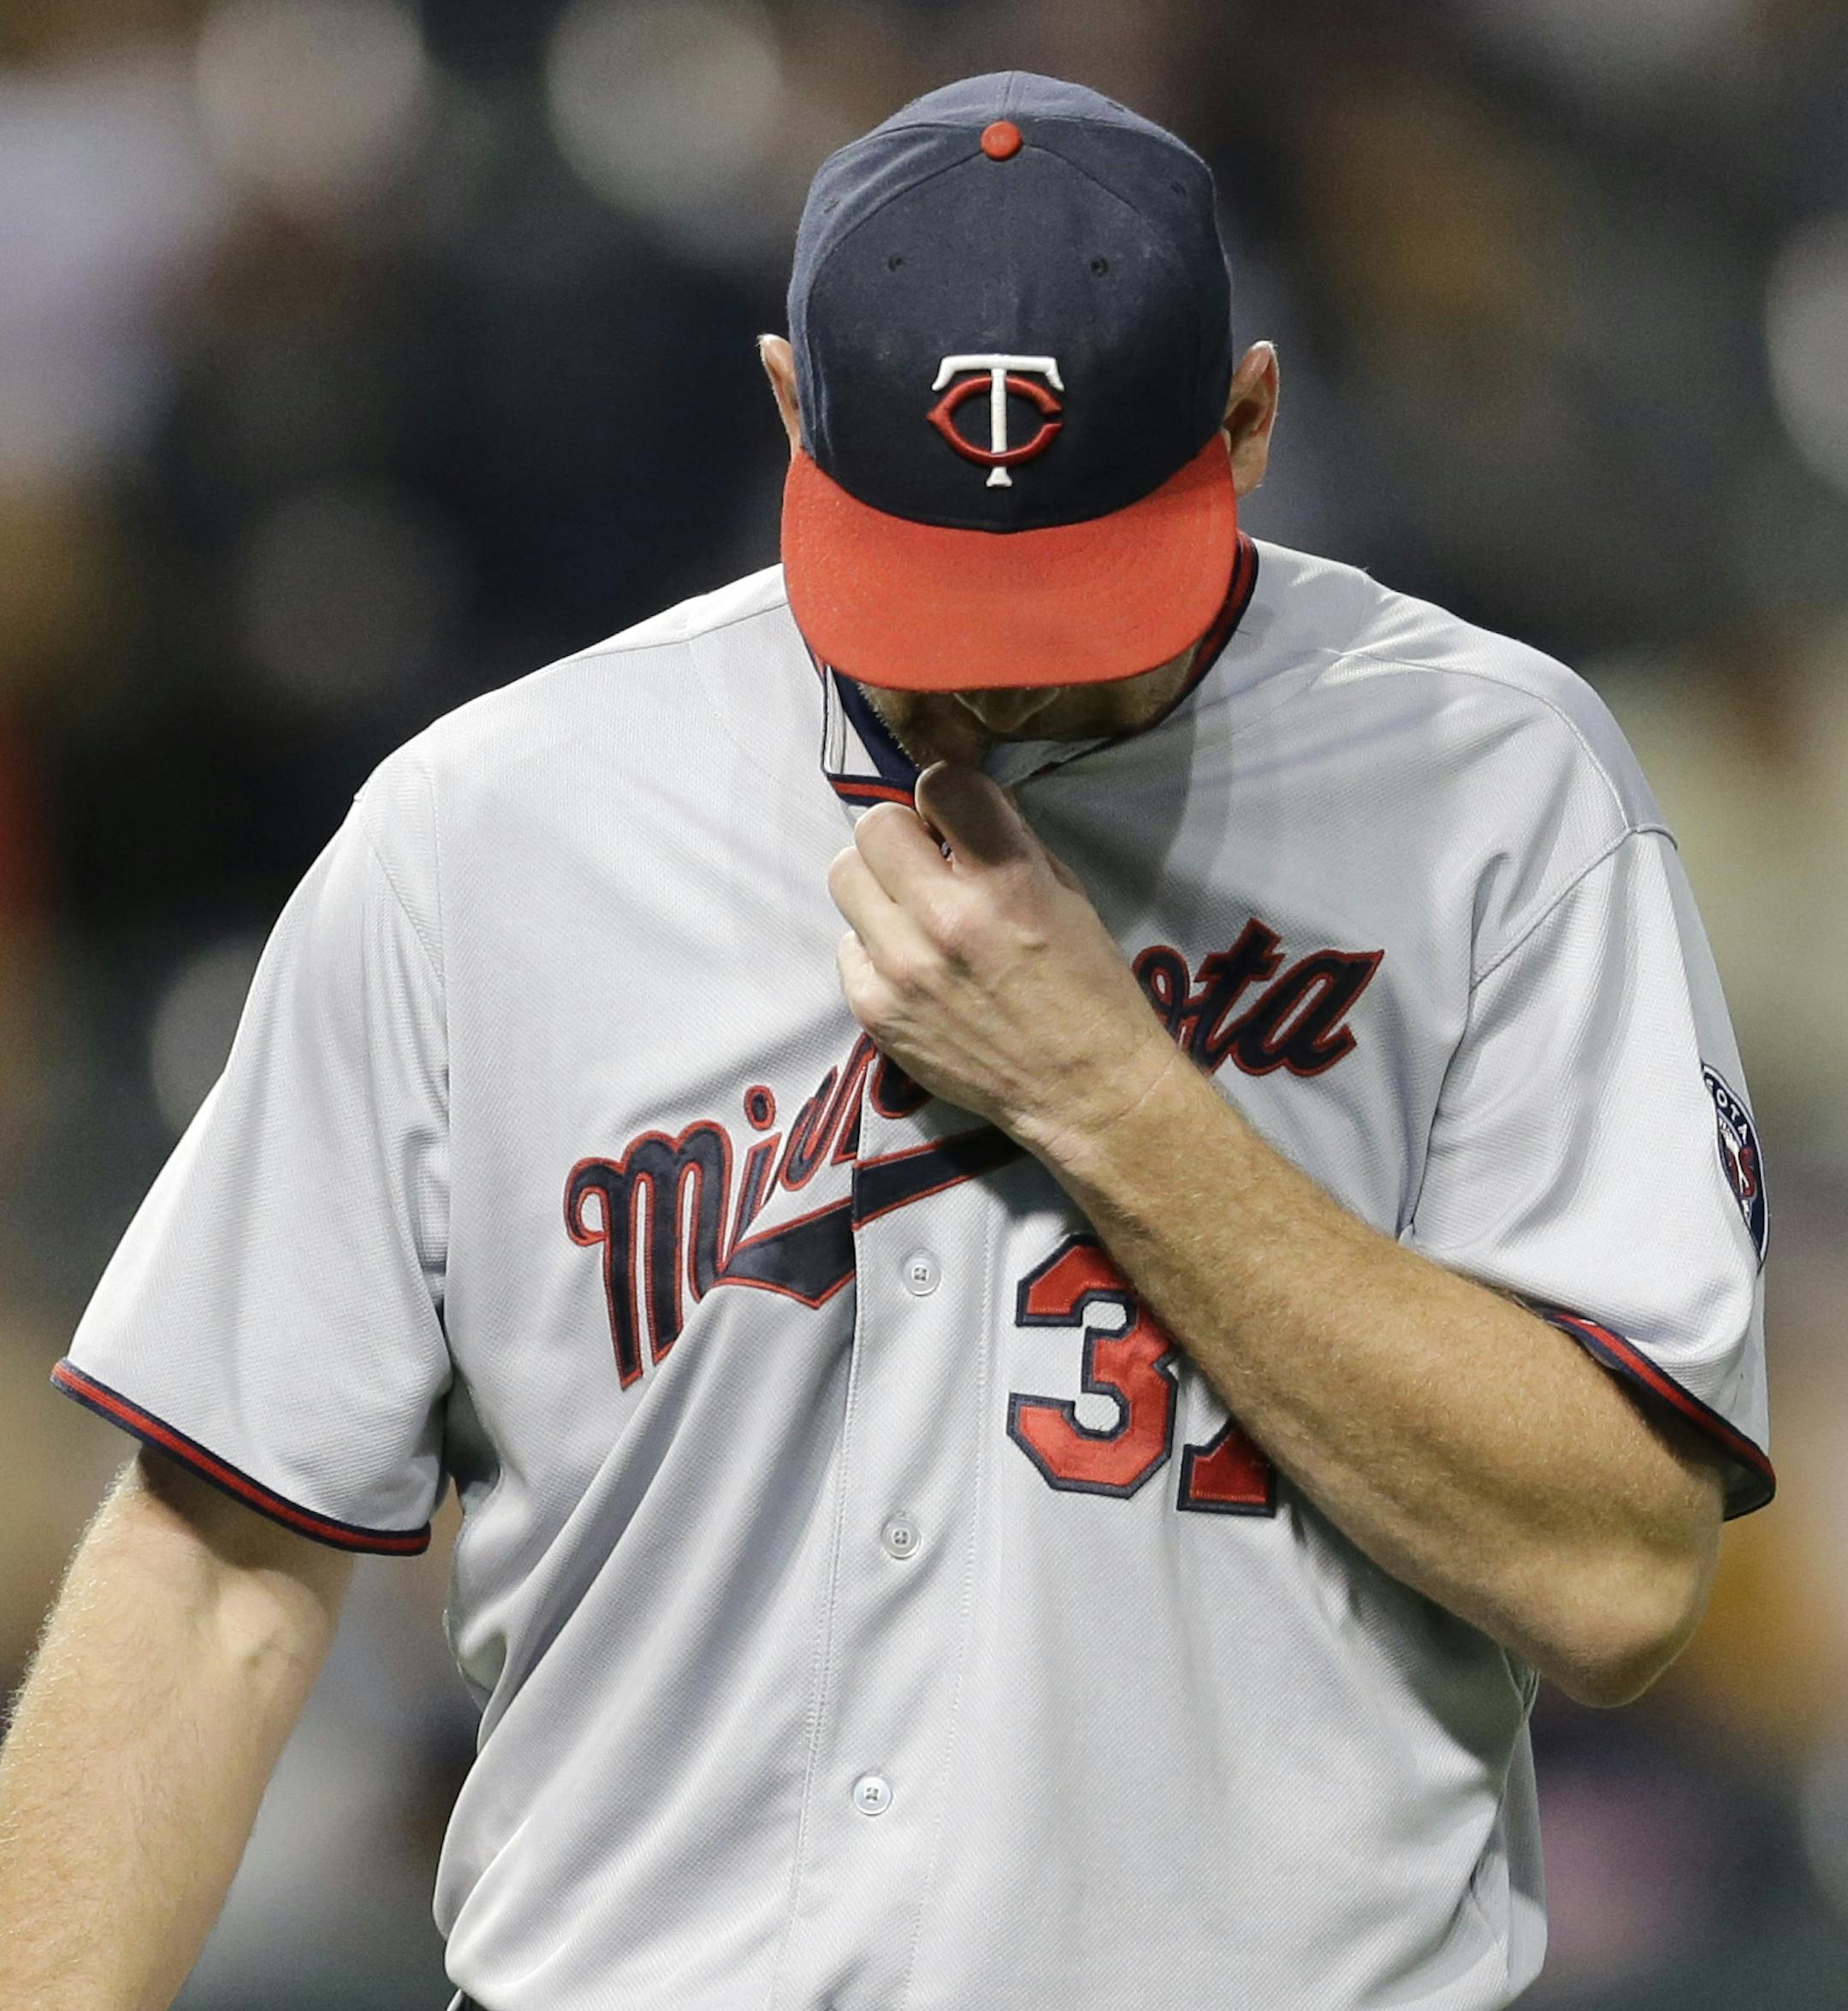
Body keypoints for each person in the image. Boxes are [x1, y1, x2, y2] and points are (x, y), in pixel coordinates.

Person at [0, 71, 1771, 2011]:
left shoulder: (1492, 788)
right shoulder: (489, 836)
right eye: (939, 576)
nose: (998, 665)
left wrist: (1106, 1096)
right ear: (786, 410)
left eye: (1076, 580)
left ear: (1250, 422)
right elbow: (207, 1582)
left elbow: (1614, 1579)